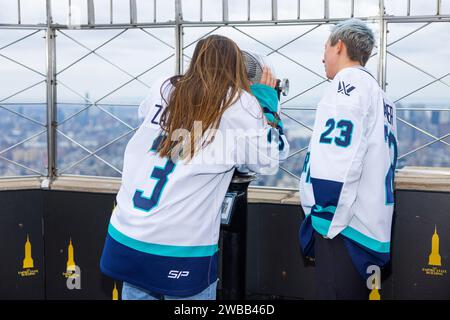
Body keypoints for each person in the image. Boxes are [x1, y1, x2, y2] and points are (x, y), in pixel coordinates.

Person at [100, 35, 289, 300]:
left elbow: (153, 121)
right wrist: (266, 104)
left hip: (125, 237)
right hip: (179, 247)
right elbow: (269, 159)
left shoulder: (164, 86)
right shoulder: (239, 103)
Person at [298, 19, 398, 299]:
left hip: (343, 230)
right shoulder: (381, 96)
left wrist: (324, 221)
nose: (323, 57)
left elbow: (337, 159)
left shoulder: (347, 85)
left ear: (339, 46)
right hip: (370, 227)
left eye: (326, 48)